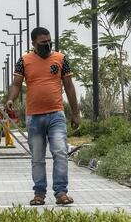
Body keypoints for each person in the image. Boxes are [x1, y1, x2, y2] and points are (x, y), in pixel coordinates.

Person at [6, 26, 80, 206]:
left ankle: (61, 192)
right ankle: (39, 194)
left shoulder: (61, 59)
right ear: (33, 43)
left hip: (56, 114)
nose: (47, 45)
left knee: (60, 153)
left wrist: (76, 112)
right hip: (34, 118)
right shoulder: (24, 60)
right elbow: (16, 84)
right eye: (42, 43)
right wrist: (10, 100)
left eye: (49, 42)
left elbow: (69, 86)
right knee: (37, 158)